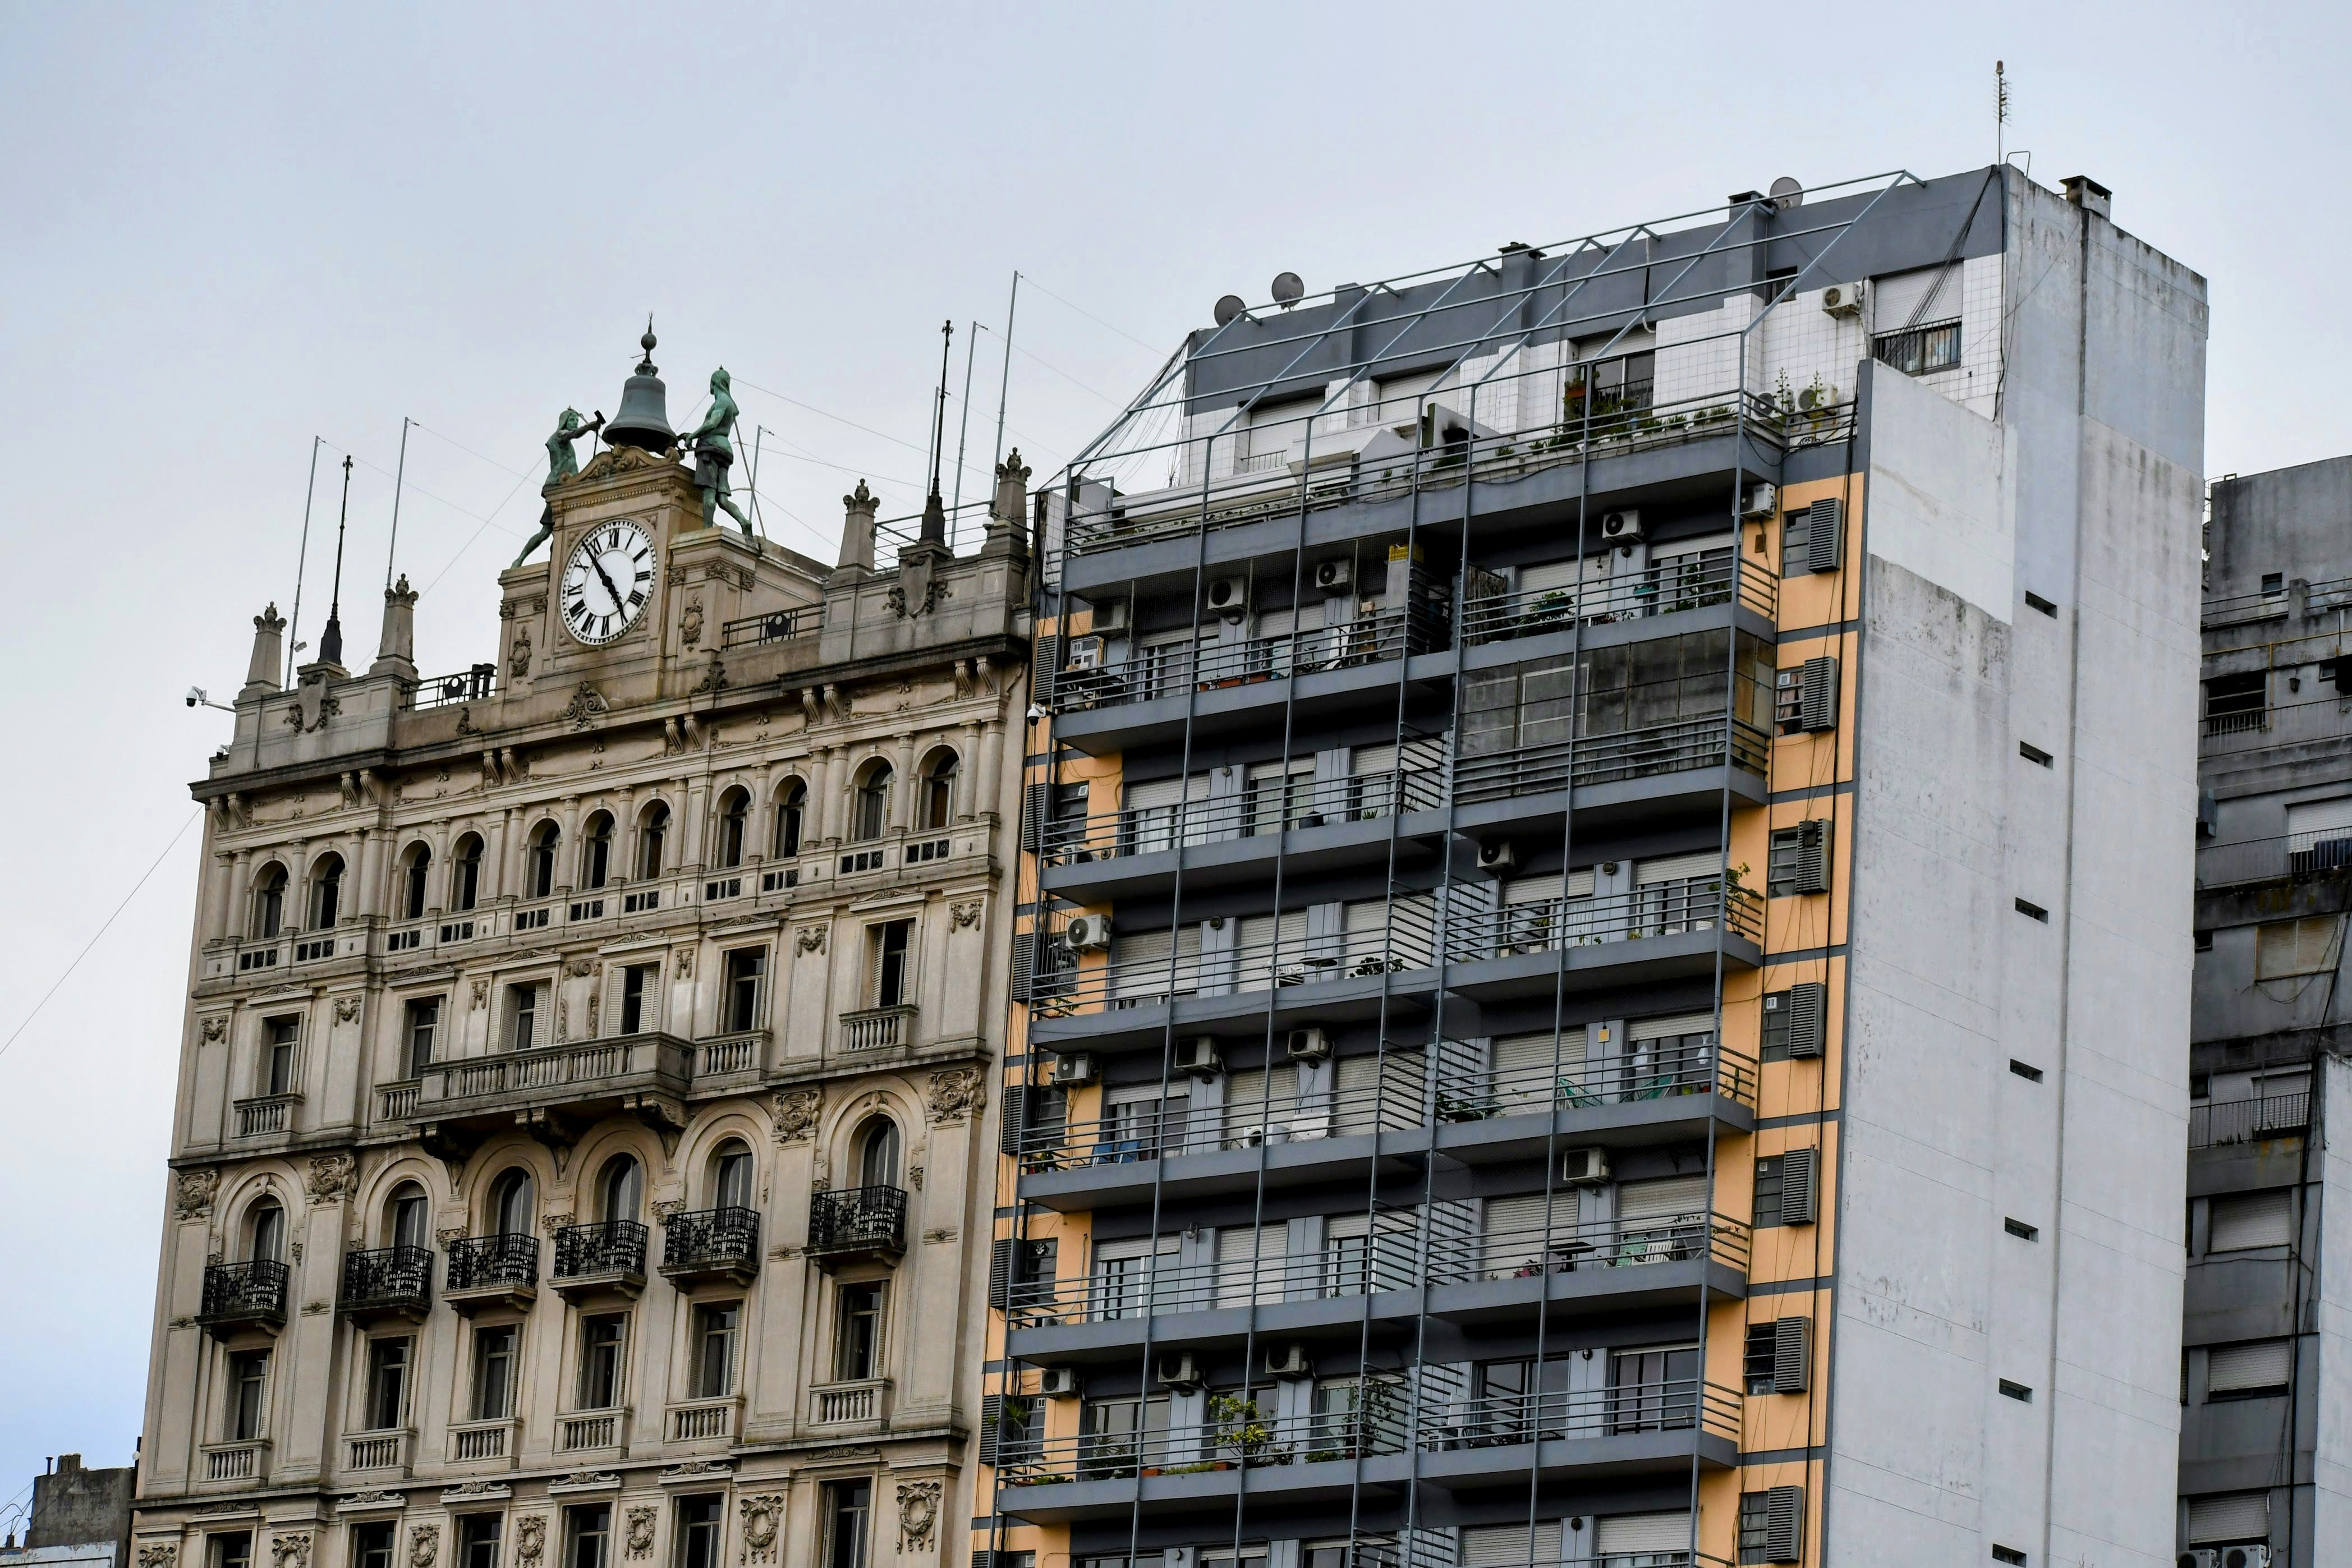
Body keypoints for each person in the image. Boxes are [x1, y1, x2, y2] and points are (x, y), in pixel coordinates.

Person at [511, 407, 605, 567]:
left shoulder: (565, 441)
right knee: (546, 532)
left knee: (558, 533)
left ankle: (557, 565)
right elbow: (572, 434)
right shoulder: (559, 436)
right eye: (572, 419)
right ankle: (520, 560)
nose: (575, 422)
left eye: (576, 420)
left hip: (567, 488)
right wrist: (589, 427)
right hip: (558, 488)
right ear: (565, 421)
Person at [679, 367, 759, 549]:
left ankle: (707, 530)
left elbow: (712, 423)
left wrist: (693, 435)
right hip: (725, 451)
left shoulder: (722, 402)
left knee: (709, 493)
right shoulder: (730, 404)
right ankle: (745, 523)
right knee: (722, 499)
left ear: (714, 384)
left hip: (711, 450)